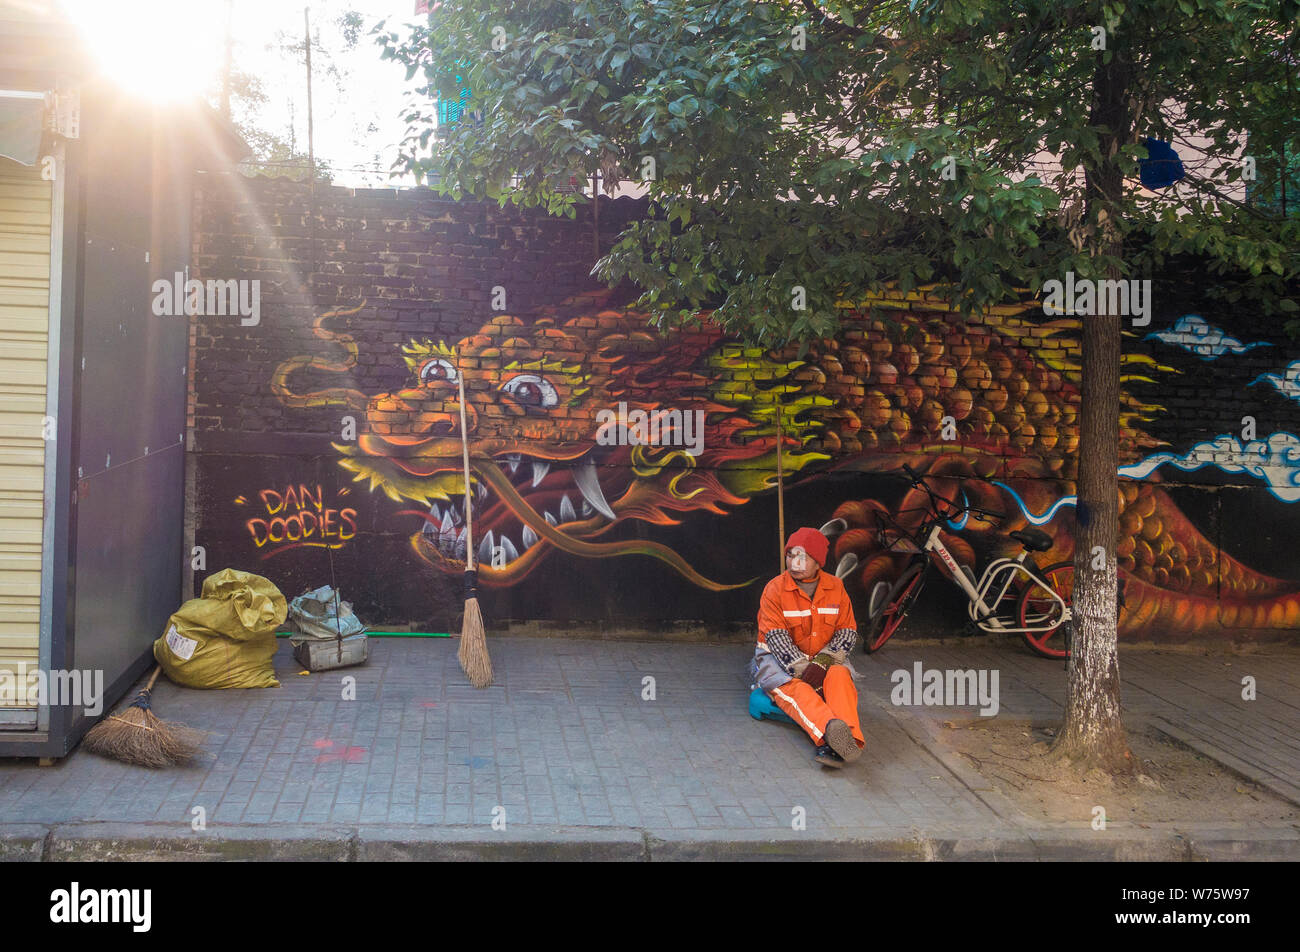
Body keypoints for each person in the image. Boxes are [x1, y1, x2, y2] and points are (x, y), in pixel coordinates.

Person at [751, 527, 865, 767]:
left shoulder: (836, 587)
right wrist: (804, 669)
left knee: (840, 677)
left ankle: (847, 739)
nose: (795, 562)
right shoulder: (775, 588)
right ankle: (830, 736)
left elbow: (846, 631)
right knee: (797, 689)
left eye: (803, 557)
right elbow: (776, 637)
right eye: (790, 555)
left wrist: (823, 663)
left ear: (818, 563)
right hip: (778, 660)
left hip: (824, 658)